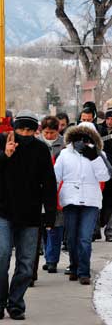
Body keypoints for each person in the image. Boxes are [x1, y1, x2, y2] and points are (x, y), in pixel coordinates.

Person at [0, 110, 57, 320]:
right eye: (21, 129)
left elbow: (49, 183)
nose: (25, 134)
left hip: (30, 215)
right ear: (14, 127)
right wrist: (5, 155)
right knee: (1, 256)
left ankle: (16, 303)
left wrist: (50, 216)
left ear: (35, 131)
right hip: (1, 211)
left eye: (29, 130)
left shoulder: (40, 149)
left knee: (26, 263)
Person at [55, 122, 111, 284]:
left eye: (87, 139)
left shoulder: (99, 155)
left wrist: (94, 157)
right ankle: (74, 266)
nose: (83, 142)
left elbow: (104, 177)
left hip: (90, 201)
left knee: (85, 238)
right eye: (79, 138)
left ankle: (84, 272)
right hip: (70, 200)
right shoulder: (65, 154)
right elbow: (56, 176)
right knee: (72, 238)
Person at [38, 116, 65, 274]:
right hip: (40, 190)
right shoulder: (37, 143)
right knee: (43, 226)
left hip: (58, 190)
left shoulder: (64, 145)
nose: (48, 136)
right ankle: (48, 254)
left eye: (52, 132)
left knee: (56, 225)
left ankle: (52, 260)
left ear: (58, 130)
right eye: (46, 132)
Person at [98, 108, 112, 241]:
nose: (110, 121)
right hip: (102, 169)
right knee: (104, 201)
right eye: (108, 118)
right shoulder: (99, 131)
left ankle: (110, 232)